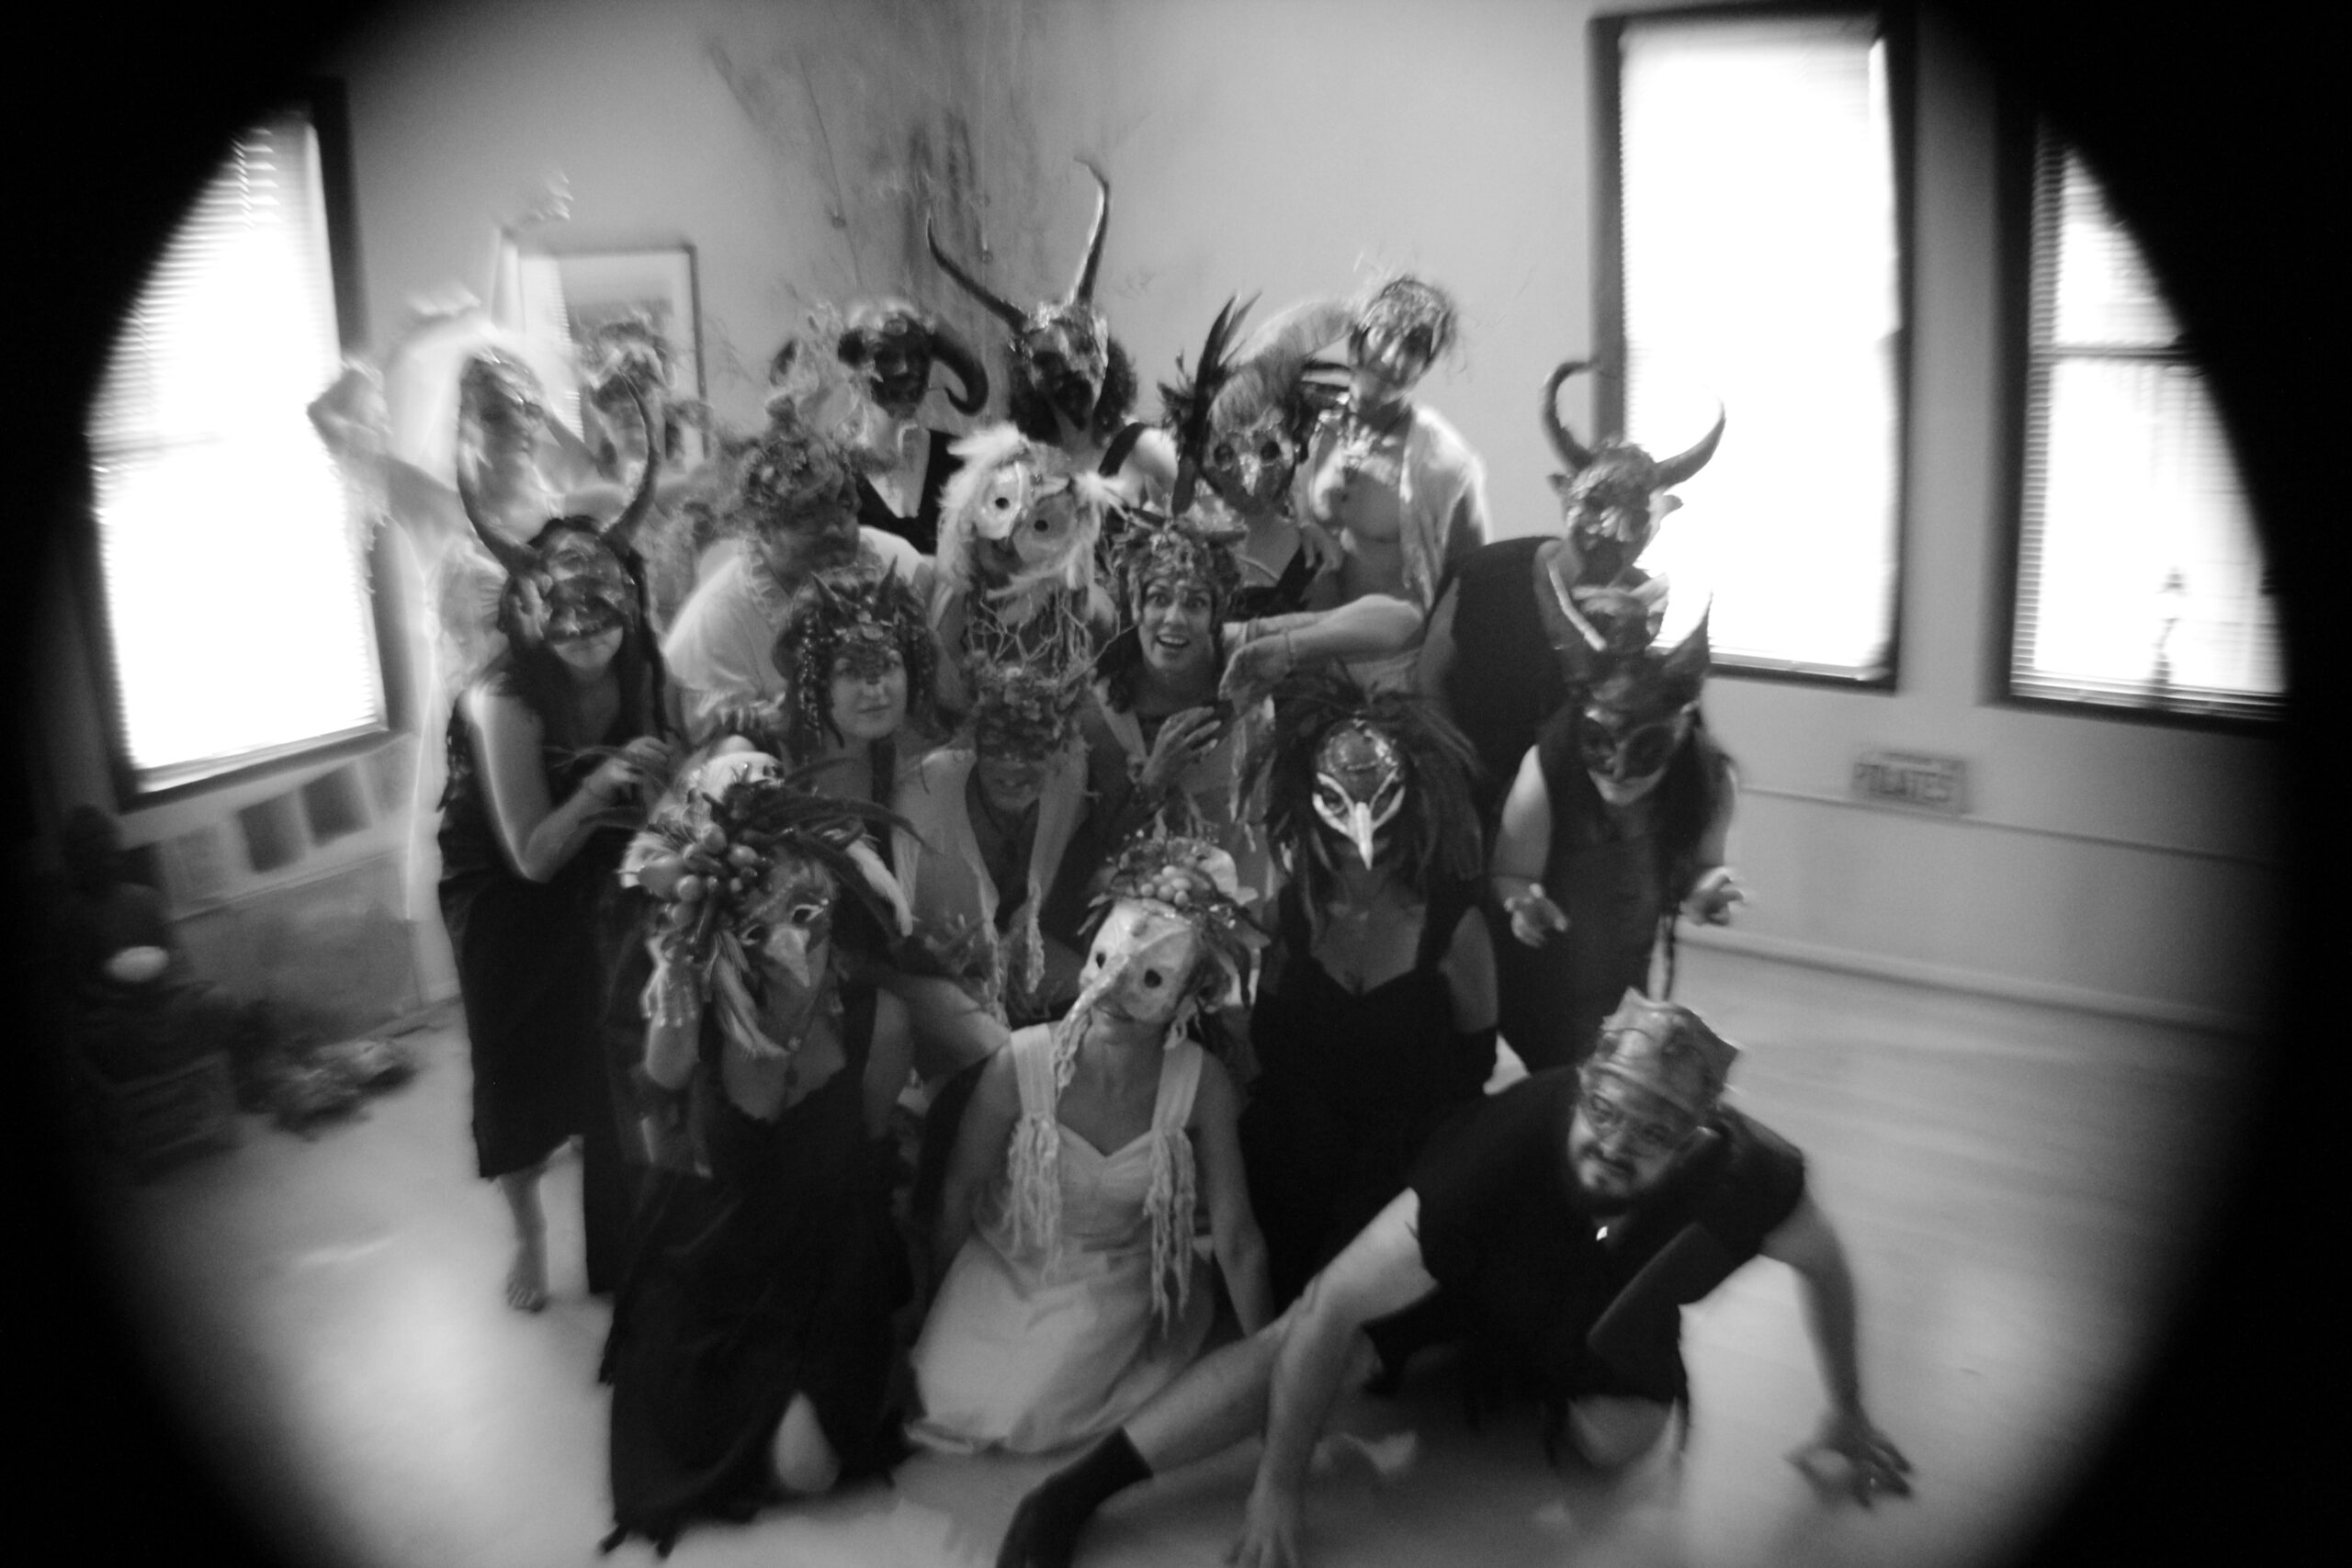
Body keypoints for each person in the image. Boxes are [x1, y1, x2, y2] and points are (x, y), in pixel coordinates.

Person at [996, 991, 1913, 1568]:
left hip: (1599, 1305)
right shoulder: (1500, 1150)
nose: (1615, 1145)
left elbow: (1828, 1268)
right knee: (1308, 1338)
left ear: (1696, 1139)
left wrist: (1848, 1408)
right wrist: (1277, 1485)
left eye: (1651, 1134)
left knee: (1616, 1440)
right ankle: (1071, 1491)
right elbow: (1328, 1313)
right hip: (1466, 1272)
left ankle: (1501, 1364)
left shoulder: (1750, 1177)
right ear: (1584, 1090)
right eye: (1604, 1115)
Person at [598, 752, 919, 1554]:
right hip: (719, 1250)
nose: (791, 944)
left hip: (828, 1246)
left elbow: (869, 1144)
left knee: (805, 1468)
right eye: (762, 926)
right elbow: (662, 1097)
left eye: (810, 916)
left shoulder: (876, 1019)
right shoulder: (699, 1003)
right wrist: (675, 1003)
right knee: (698, 1444)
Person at [908, 833, 1272, 1454]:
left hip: (1112, 1274)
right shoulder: (1018, 1063)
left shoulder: (1200, 1083)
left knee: (1030, 1412)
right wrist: (930, 1312)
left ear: (1187, 997)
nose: (1113, 992)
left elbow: (1237, 1238)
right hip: (1005, 1257)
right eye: (1104, 961)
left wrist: (1269, 1367)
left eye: (1151, 978)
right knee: (944, 1393)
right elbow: (959, 1192)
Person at [436, 395, 675, 1310]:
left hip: (599, 854)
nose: (589, 637)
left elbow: (659, 787)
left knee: (606, 1037)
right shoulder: (502, 699)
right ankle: (529, 1234)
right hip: (504, 878)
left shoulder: (641, 663)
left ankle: (623, 1224)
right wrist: (608, 778)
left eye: (604, 617)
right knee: (518, 1061)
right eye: (566, 622)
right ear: (531, 617)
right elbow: (532, 854)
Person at [1234, 668, 1495, 1307]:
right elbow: (1266, 1043)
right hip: (1294, 1160)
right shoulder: (1288, 915)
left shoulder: (1455, 926)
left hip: (1403, 1169)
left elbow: (1473, 1066)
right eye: (1337, 805)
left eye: (1379, 807)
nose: (1360, 832)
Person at [1417, 358, 1724, 823]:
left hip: (1566, 819)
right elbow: (1428, 678)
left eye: (1636, 516)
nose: (1614, 530)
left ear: (1661, 518)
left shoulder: (1641, 604)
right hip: (1466, 800)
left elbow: (1647, 712)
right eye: (1596, 505)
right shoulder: (1489, 573)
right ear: (1566, 495)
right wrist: (1454, 774)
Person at [1487, 605, 1745, 1071]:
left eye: (1645, 748)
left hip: (1627, 970)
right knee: (1561, 1072)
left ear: (1677, 735)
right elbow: (1511, 871)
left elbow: (1706, 866)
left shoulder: (1708, 780)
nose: (1619, 772)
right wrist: (1522, 903)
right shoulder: (1548, 768)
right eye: (1600, 743)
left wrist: (1707, 890)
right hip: (1545, 976)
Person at [1218, 277, 1489, 703]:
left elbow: (1471, 587)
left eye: (1414, 348)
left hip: (1392, 670)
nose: (1394, 358)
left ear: (1424, 367)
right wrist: (1303, 524)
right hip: (1302, 664)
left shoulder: (1445, 465)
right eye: (1386, 335)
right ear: (1358, 336)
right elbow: (1229, 427)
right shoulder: (1306, 428)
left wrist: (1435, 686)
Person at [927, 158, 1177, 529]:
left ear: (1105, 354)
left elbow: (1207, 533)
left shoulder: (1147, 450)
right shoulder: (1019, 465)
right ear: (1027, 373)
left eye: (1083, 348)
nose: (1072, 369)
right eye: (1048, 361)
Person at [660, 410, 929, 742]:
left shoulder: (897, 563)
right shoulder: (715, 620)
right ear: (763, 529)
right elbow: (721, 753)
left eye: (844, 509)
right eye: (808, 516)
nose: (833, 529)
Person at [831, 296, 990, 555]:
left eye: (919, 357)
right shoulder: (830, 468)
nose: (907, 369)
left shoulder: (958, 459)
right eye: (886, 357)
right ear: (856, 368)